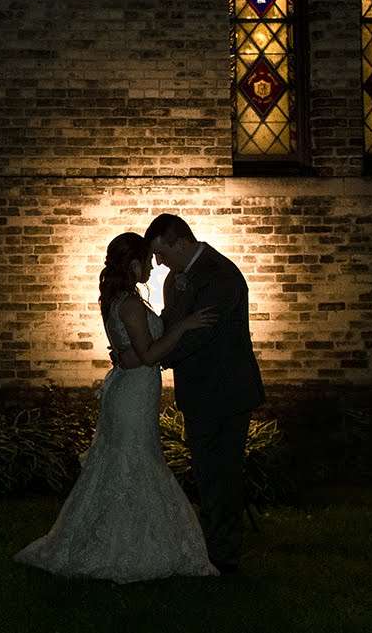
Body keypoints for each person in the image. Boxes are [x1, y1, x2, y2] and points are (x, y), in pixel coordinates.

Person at [13, 232, 219, 583]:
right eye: (147, 261)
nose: (153, 267)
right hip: (133, 395)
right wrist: (183, 326)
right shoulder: (131, 304)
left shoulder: (117, 299)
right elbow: (149, 354)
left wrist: (130, 354)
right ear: (134, 263)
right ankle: (128, 548)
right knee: (135, 463)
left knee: (123, 464)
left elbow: (133, 352)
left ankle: (113, 537)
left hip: (130, 389)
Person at [115, 213, 266, 576]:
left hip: (227, 393)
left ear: (179, 242)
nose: (159, 263)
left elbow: (200, 334)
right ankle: (210, 547)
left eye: (161, 254)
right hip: (197, 394)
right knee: (206, 473)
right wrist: (139, 348)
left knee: (223, 475)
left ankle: (225, 558)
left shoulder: (221, 276)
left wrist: (149, 357)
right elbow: (170, 323)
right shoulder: (174, 282)